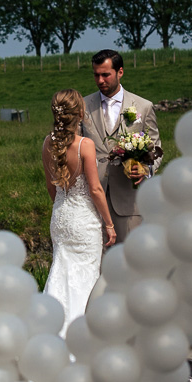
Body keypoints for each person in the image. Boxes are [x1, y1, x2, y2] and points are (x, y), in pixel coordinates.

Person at [42, 88, 115, 329]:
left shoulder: (47, 143)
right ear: (81, 113)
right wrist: (109, 223)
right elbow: (95, 189)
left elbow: (52, 188)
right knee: (84, 280)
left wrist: (62, 208)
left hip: (61, 218)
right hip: (83, 222)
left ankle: (50, 329)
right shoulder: (85, 145)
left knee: (60, 274)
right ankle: (80, 335)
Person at [81, 49, 159, 241]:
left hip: (128, 202)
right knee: (97, 266)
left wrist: (145, 169)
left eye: (105, 75)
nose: (100, 80)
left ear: (120, 72)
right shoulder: (82, 106)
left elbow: (155, 149)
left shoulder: (143, 106)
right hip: (90, 201)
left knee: (131, 262)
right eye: (96, 75)